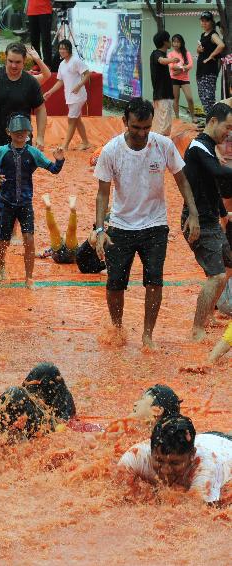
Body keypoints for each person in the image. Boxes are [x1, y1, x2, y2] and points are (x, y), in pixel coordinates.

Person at [94, 97, 200, 349]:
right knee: (115, 283)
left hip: (155, 225)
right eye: (136, 127)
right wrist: (99, 229)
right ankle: (117, 328)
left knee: (155, 281)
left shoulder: (163, 145)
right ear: (125, 122)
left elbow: (182, 180)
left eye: (146, 128)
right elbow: (102, 194)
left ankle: (147, 335)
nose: (142, 133)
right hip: (120, 225)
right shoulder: (111, 151)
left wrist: (193, 212)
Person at [0, 114, 65, 286]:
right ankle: (1, 266)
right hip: (6, 203)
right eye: (17, 131)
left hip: (25, 204)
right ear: (9, 132)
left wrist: (59, 161)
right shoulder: (2, 152)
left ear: (29, 133)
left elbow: (53, 169)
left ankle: (29, 277)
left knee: (29, 240)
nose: (20, 133)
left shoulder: (33, 153)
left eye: (24, 131)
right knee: (3, 241)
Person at [181, 103, 232, 341]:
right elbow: (219, 174)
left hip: (211, 218)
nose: (228, 133)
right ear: (212, 121)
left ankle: (208, 316)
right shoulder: (198, 146)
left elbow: (212, 184)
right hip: (197, 221)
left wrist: (224, 213)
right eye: (227, 127)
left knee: (227, 266)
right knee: (218, 276)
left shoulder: (209, 147)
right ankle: (196, 328)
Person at [118, 415, 232, 505]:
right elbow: (118, 494)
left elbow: (193, 517)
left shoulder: (205, 468)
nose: (165, 470)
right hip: (206, 438)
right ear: (150, 452)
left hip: (226, 447)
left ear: (192, 455)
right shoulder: (136, 456)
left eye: (175, 463)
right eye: (159, 461)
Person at [43, 40, 91, 150]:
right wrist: (49, 92)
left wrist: (79, 85)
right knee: (77, 120)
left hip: (78, 96)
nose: (62, 51)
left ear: (69, 49)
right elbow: (60, 81)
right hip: (70, 96)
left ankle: (64, 146)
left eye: (64, 48)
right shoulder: (62, 64)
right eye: (60, 48)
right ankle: (85, 143)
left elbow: (87, 74)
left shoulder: (75, 61)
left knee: (71, 120)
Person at [196, 12, 225, 116]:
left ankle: (213, 122)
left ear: (211, 22)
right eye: (202, 21)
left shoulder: (213, 34)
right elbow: (200, 51)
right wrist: (198, 50)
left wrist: (211, 56)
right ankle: (209, 121)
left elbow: (221, 45)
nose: (204, 23)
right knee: (203, 97)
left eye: (206, 21)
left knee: (208, 97)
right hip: (201, 71)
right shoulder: (203, 35)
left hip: (209, 71)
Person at [149, 31, 176, 137]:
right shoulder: (156, 54)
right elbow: (161, 61)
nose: (171, 42)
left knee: (163, 123)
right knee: (163, 124)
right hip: (162, 94)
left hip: (163, 94)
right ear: (165, 42)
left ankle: (159, 144)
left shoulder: (160, 54)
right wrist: (172, 60)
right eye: (169, 40)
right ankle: (161, 146)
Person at [169, 34, 195, 121]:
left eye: (178, 42)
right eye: (174, 42)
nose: (176, 44)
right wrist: (183, 68)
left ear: (181, 43)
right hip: (174, 79)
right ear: (172, 43)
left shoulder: (186, 53)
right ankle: (177, 118)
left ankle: (193, 116)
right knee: (175, 99)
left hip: (184, 79)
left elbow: (190, 65)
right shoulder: (170, 54)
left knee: (190, 98)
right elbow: (172, 67)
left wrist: (180, 70)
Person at [27, 0, 52, 67]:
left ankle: (47, 64)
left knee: (45, 39)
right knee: (34, 40)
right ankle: (36, 63)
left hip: (45, 11)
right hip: (32, 11)